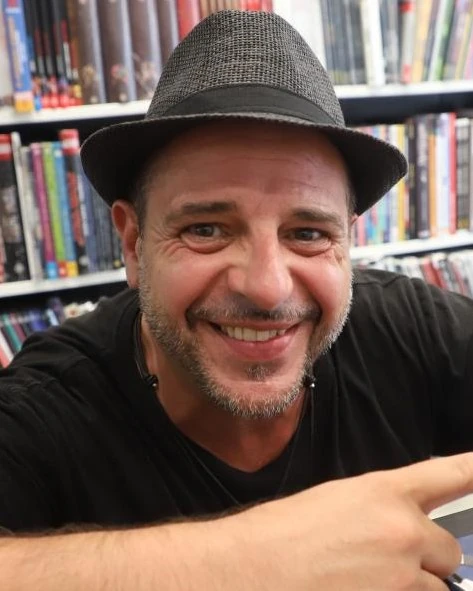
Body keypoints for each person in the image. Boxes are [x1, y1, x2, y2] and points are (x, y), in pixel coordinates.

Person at [0, 8, 473, 590]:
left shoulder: (411, 329)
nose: (268, 287)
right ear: (132, 243)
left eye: (308, 234)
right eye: (206, 230)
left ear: (348, 242)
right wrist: (254, 562)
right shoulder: (48, 407)